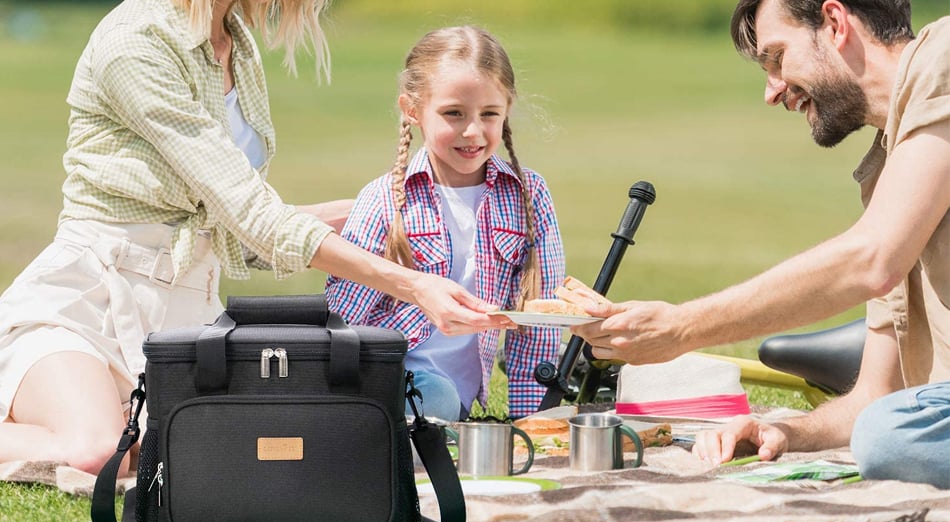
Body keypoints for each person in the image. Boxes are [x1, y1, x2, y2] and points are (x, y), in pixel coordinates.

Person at [0, 0, 510, 476]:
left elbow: (236, 224)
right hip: (86, 304)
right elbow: (251, 211)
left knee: (182, 451)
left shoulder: (236, 42)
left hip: (176, 321)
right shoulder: (135, 41)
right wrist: (413, 284)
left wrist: (373, 214)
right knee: (94, 451)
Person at [572, 0, 949, 488]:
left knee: (888, 438)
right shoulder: (888, 170)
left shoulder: (942, 56)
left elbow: (872, 260)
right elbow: (874, 395)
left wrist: (681, 328)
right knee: (886, 429)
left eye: (776, 58)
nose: (772, 92)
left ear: (834, 24)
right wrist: (784, 432)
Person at [326, 26, 566, 421]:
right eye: (454, 113)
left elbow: (537, 331)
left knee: (440, 399)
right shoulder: (385, 197)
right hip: (384, 392)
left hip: (451, 404)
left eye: (489, 114)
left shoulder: (529, 196)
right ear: (412, 109)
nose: (472, 131)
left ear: (507, 108)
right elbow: (342, 322)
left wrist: (529, 427)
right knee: (432, 393)